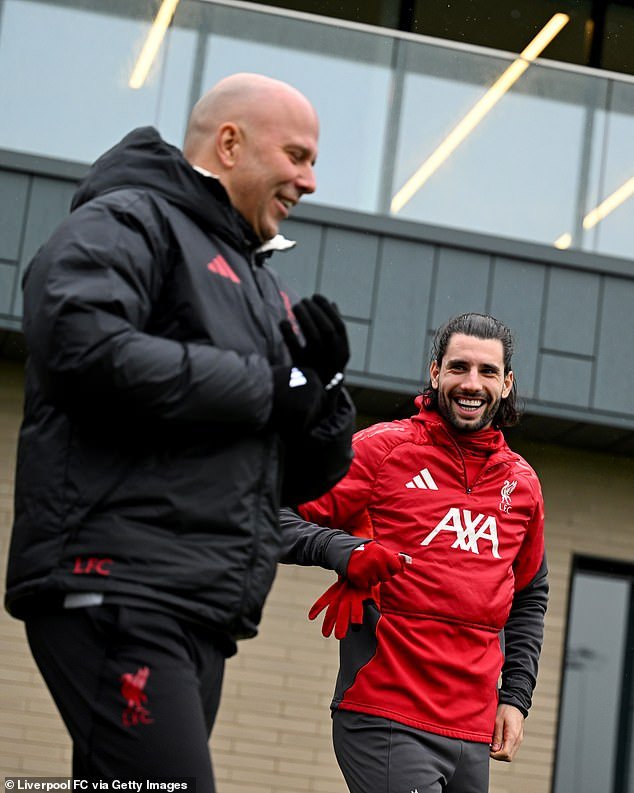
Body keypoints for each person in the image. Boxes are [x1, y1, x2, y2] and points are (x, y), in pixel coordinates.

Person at [4, 73, 355, 790]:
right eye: (296, 155)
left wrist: (326, 391)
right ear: (230, 143)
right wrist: (269, 389)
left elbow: (301, 473)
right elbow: (80, 345)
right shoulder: (129, 220)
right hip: (120, 589)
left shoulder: (256, 280)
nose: (310, 180)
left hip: (196, 608)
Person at [280, 312, 549, 793]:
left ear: (507, 384)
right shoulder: (382, 451)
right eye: (459, 367)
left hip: (471, 734)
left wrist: (515, 697)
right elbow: (269, 515)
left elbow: (529, 596)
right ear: (435, 374)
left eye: (487, 372)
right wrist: (343, 549)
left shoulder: (522, 485)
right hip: (386, 716)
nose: (472, 383)